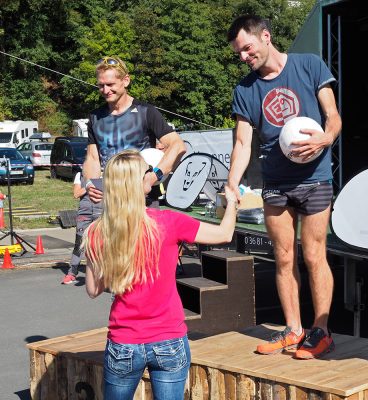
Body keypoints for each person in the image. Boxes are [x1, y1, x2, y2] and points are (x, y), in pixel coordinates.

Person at [226, 15, 342, 359]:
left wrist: (325, 138)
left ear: (265, 36)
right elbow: (243, 143)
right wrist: (233, 182)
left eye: (247, 48)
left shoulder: (309, 66)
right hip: (275, 183)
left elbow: (333, 116)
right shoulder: (245, 89)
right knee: (283, 256)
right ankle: (293, 330)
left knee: (313, 254)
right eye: (239, 54)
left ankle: (321, 332)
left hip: (315, 177)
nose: (245, 57)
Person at [83, 150, 238, 399]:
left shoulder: (97, 231)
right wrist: (231, 203)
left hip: (124, 341)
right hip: (169, 338)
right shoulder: (168, 221)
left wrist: (94, 248)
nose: (151, 176)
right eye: (148, 171)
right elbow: (224, 235)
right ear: (139, 182)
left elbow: (93, 290)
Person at [82, 55, 185, 207]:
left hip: (143, 200)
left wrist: (153, 176)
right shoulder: (95, 117)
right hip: (111, 200)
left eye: (110, 84)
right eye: (101, 85)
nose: (105, 90)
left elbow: (178, 146)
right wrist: (90, 183)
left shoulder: (146, 112)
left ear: (126, 81)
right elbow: (92, 158)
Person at [61, 171, 100, 284]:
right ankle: (72, 273)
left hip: (101, 212)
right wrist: (89, 185)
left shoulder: (106, 173)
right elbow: (76, 194)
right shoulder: (80, 175)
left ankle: (103, 274)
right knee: (79, 243)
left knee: (102, 243)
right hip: (84, 213)